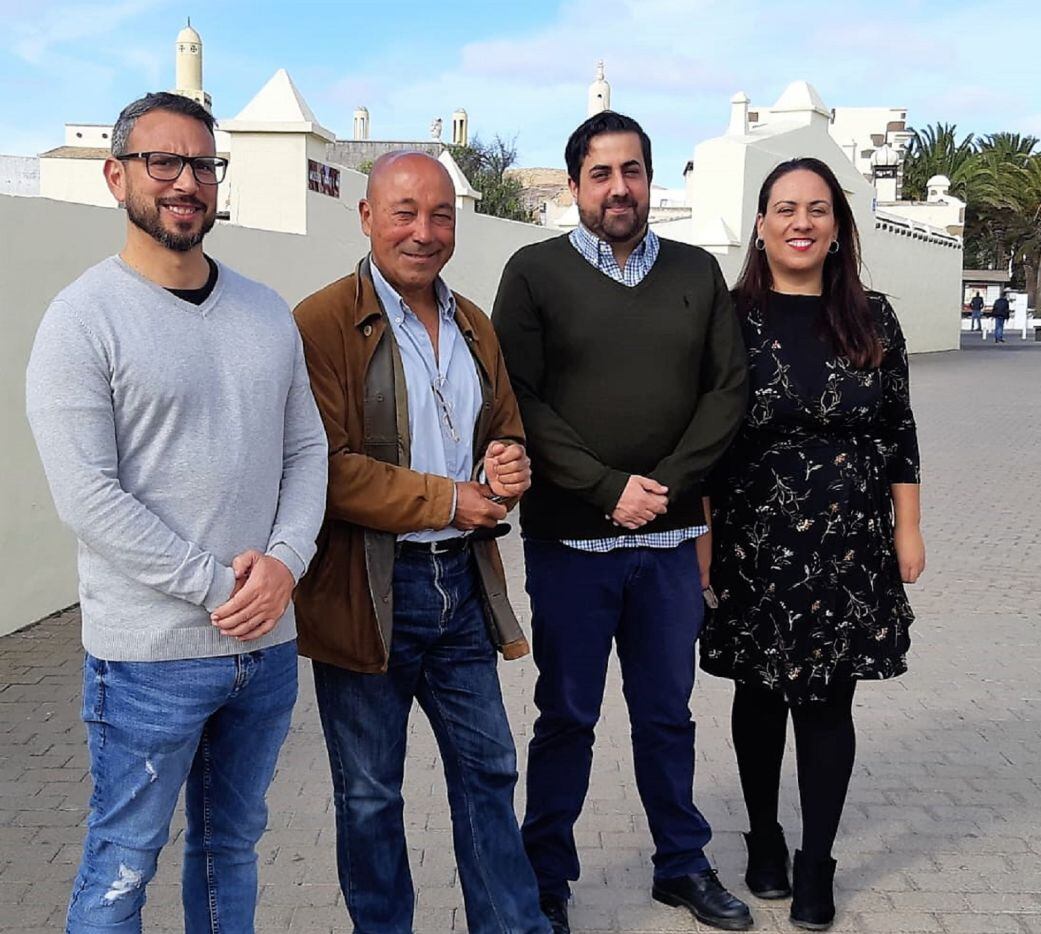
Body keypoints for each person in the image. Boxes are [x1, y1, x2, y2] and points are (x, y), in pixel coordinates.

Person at [25, 92, 328, 933]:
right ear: (117, 176)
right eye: (164, 161)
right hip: (149, 658)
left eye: (202, 163)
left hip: (264, 651)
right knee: (122, 863)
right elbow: (89, 495)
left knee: (231, 849)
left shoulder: (266, 311)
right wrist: (218, 586)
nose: (186, 181)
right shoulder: (81, 322)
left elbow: (307, 452)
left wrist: (286, 564)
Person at [493, 112, 751, 933]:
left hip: (671, 548)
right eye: (600, 173)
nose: (618, 187)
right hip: (574, 545)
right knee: (567, 716)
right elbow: (519, 399)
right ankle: (546, 878)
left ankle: (680, 864)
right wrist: (606, 488)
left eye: (632, 170)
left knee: (667, 715)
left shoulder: (696, 272)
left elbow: (727, 392)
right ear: (574, 186)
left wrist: (665, 490)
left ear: (650, 180)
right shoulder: (533, 274)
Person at [292, 151, 549, 934]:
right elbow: (323, 470)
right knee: (371, 796)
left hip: (461, 586)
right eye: (404, 212)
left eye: (440, 215)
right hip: (368, 594)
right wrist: (449, 497)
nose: (423, 231)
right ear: (367, 217)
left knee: (489, 769)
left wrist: (506, 463)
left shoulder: (473, 321)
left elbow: (501, 428)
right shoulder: (320, 322)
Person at [699, 157, 925, 931]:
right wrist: (700, 538)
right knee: (759, 695)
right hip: (753, 537)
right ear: (760, 226)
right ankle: (764, 837)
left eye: (818, 209)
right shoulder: (727, 317)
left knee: (829, 700)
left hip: (850, 544)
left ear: (838, 227)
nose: (802, 222)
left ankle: (816, 860)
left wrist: (909, 526)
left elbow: (899, 429)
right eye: (785, 208)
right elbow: (703, 438)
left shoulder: (874, 316)